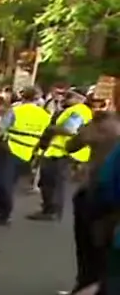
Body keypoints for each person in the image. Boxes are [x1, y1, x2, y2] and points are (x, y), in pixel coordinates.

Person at [43, 98, 120, 295]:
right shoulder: (108, 124)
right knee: (102, 261)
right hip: (106, 203)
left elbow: (74, 144)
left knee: (89, 254)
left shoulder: (103, 123)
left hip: (93, 195)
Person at [0, 89, 51, 226]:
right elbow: (45, 135)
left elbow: (1, 130)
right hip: (27, 152)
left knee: (3, 183)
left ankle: (4, 214)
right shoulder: (45, 115)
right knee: (10, 182)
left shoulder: (16, 110)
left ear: (23, 96)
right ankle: (0, 211)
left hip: (8, 149)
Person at [31, 91, 94, 222]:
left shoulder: (80, 110)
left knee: (55, 183)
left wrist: (52, 129)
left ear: (80, 99)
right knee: (47, 181)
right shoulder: (70, 110)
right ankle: (48, 208)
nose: (65, 98)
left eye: (69, 96)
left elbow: (69, 129)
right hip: (56, 152)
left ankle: (53, 211)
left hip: (64, 153)